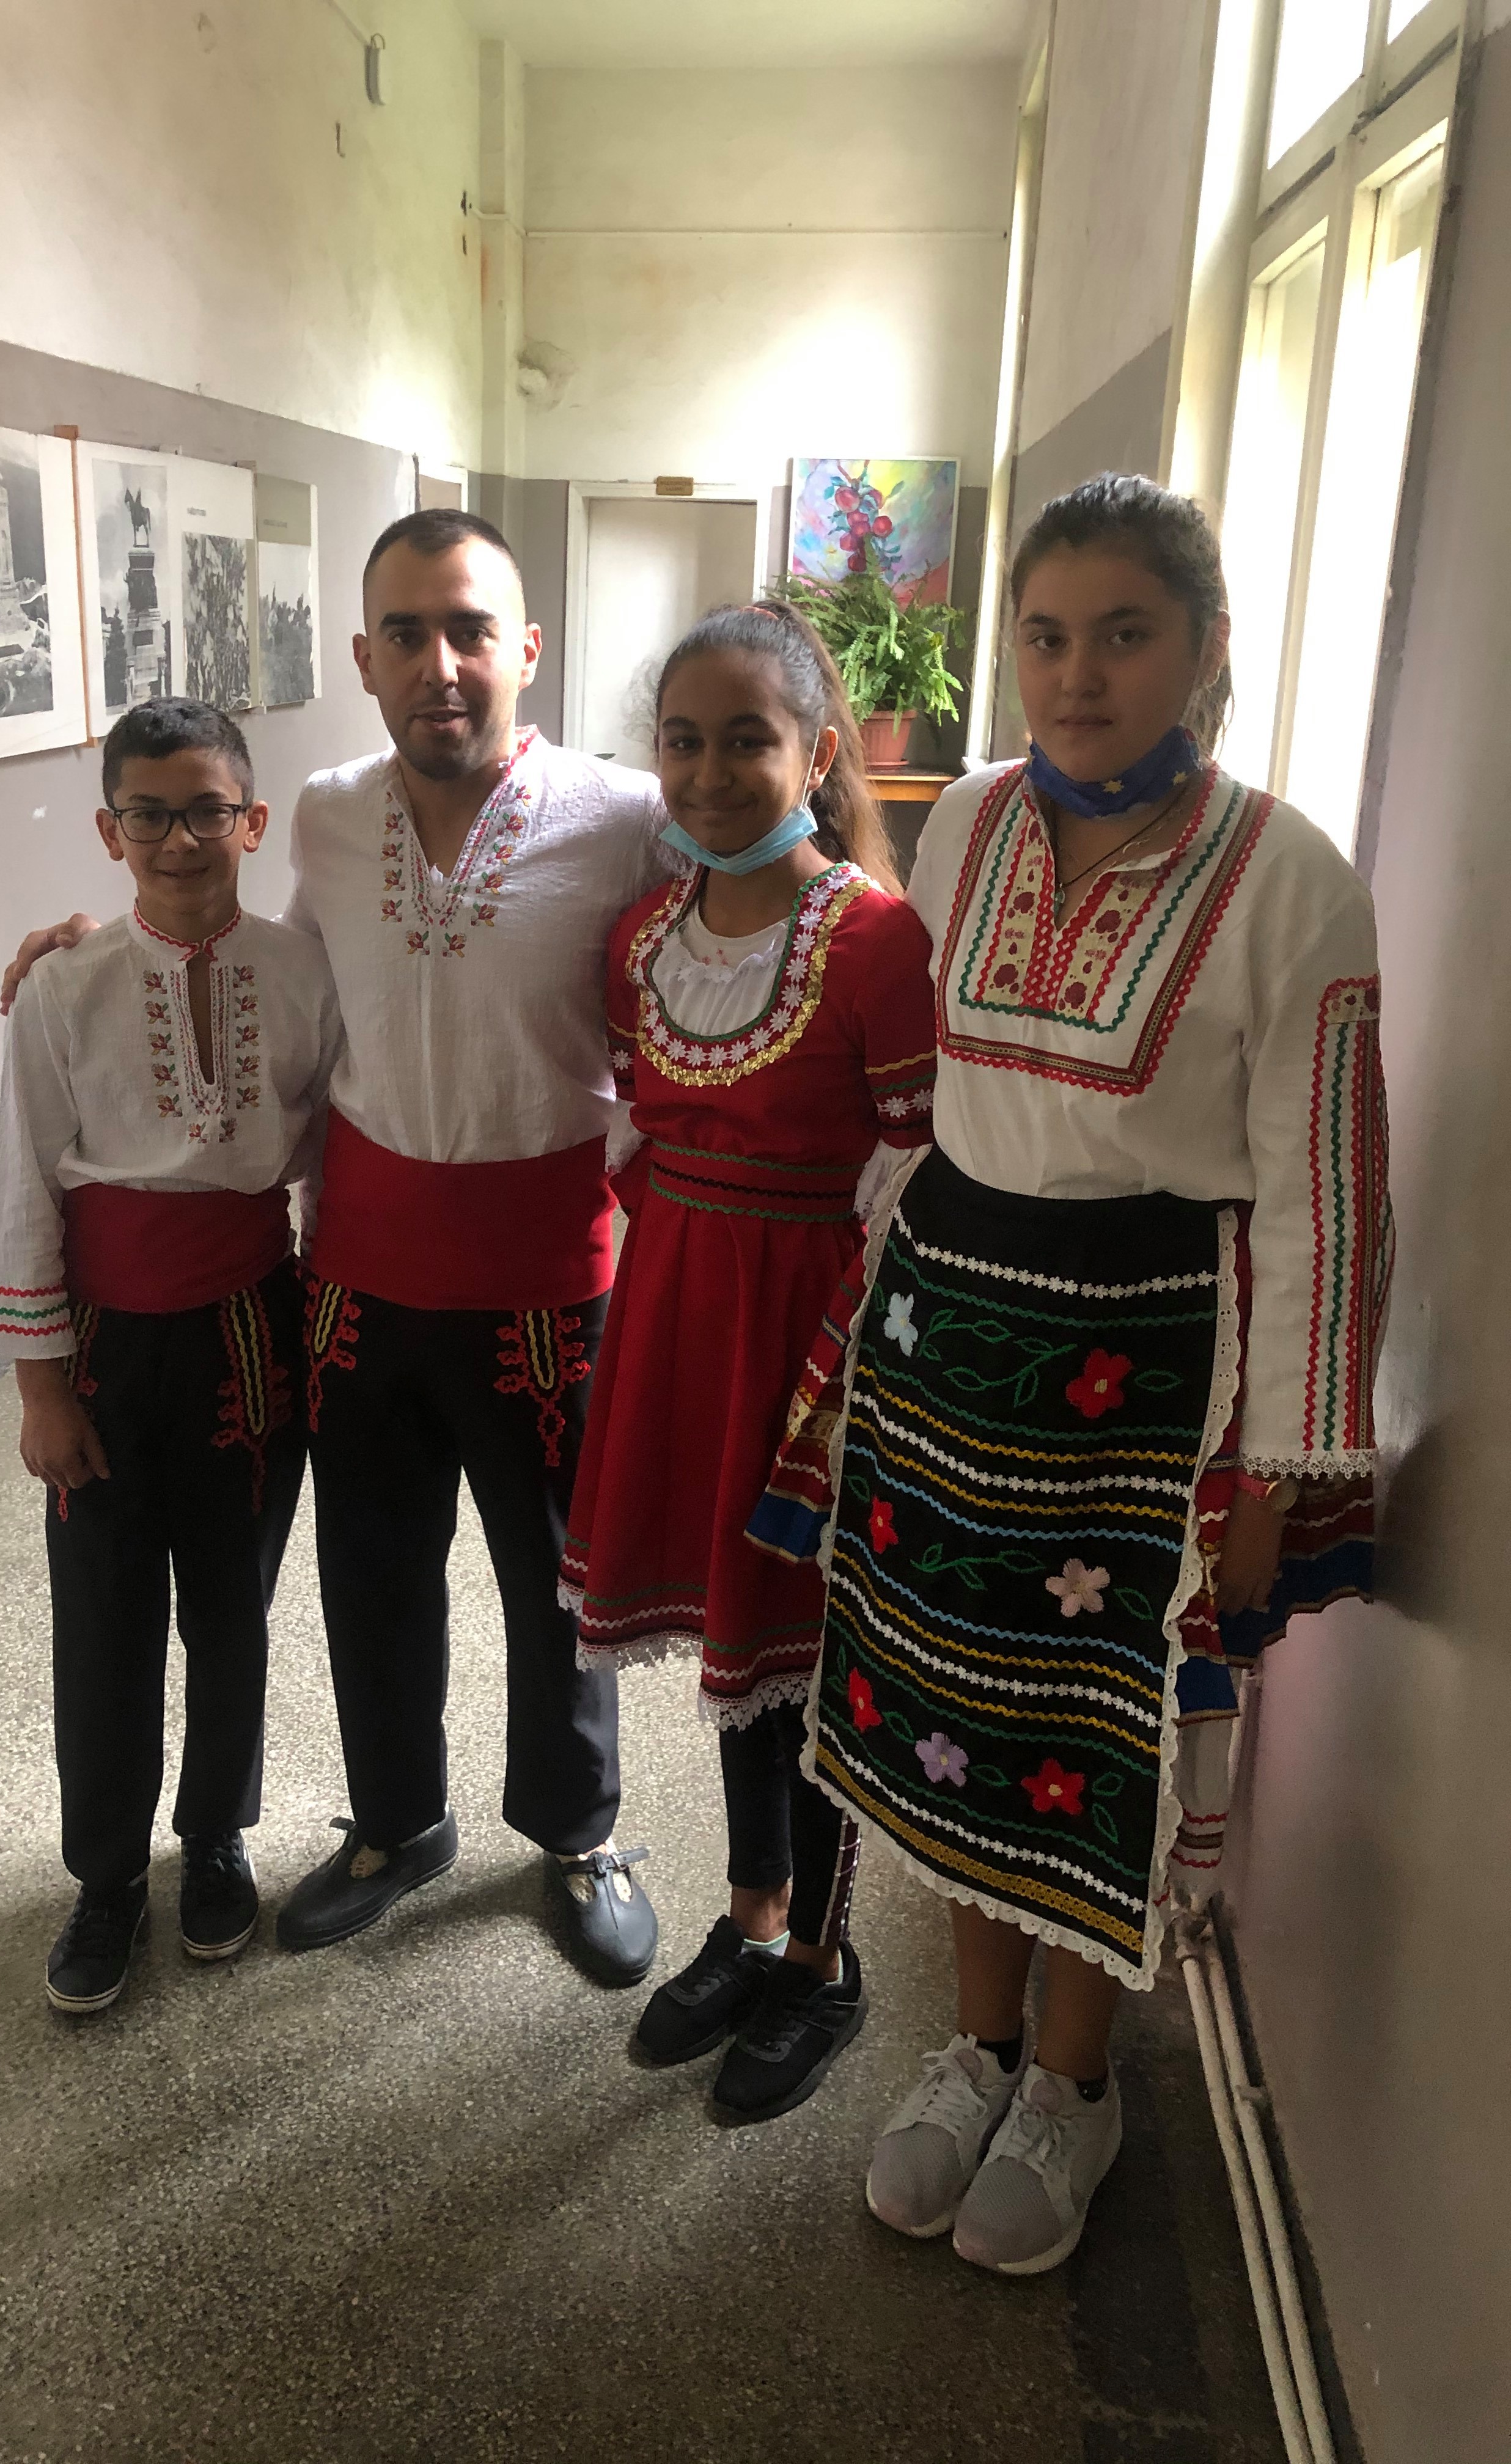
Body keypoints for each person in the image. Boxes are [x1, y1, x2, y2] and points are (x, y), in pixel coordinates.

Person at [767, 474, 1391, 2268]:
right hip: (951, 1345)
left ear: (1205, 648)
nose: (1079, 674)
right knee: (947, 1709)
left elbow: (1331, 1192)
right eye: (1047, 636)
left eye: (1126, 633)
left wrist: (1280, 1470)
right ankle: (972, 2051)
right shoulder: (964, 823)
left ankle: (1074, 2082)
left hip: (1147, 1376)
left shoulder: (1290, 878)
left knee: (1094, 1730)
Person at [1, 510, 671, 1987]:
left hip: (549, 1281)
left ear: (527, 647)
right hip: (359, 1284)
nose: (443, 664)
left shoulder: (623, 815)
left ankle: (578, 1831)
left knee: (561, 1581)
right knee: (372, 1571)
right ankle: (396, 1821)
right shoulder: (323, 812)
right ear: (365, 658)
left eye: (472, 629)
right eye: (409, 634)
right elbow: (282, 970)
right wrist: (102, 953)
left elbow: (748, 912)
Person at [561, 603, 935, 2119]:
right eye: (684, 742)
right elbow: (636, 1137)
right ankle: (756, 1916)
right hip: (683, 1317)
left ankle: (827, 1963)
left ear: (818, 751)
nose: (710, 775)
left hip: (817, 1344)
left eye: (747, 741)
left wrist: (848, 1375)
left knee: (810, 1652)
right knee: (740, 1652)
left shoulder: (876, 942)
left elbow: (915, 1174)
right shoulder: (640, 940)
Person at [0, 698, 339, 2014]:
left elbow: (332, 1155)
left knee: (233, 1608)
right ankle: (106, 1875)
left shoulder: (303, 974)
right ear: (109, 829)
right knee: (105, 1618)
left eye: (206, 811)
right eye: (150, 814)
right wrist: (40, 1389)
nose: (180, 839)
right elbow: (20, 1190)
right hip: (104, 1349)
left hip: (252, 1334)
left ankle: (219, 1835)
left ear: (253, 820)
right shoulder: (61, 989)